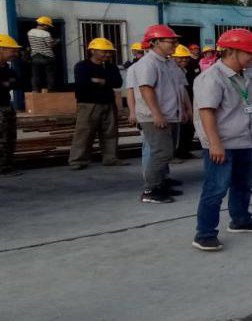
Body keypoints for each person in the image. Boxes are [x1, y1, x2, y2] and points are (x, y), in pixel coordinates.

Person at [193, 28, 252, 252]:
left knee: (244, 184)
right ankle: (205, 234)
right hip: (223, 144)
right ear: (231, 51)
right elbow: (206, 111)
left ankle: (241, 220)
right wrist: (214, 143)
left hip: (247, 141)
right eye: (249, 52)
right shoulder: (211, 77)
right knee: (216, 189)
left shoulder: (250, 75)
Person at [133, 24, 190, 203]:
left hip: (170, 114)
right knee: (160, 153)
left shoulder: (168, 62)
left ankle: (161, 183)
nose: (174, 44)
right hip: (155, 117)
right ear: (156, 42)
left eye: (175, 41)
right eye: (171, 41)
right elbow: (146, 89)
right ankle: (150, 190)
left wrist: (183, 109)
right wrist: (156, 114)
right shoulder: (148, 63)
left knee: (167, 152)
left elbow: (178, 87)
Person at [68, 37, 129, 170]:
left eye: (109, 52)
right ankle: (77, 160)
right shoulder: (82, 66)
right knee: (84, 133)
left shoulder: (111, 67)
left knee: (110, 132)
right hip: (88, 104)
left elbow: (118, 83)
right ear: (92, 51)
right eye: (104, 51)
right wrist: (105, 81)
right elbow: (83, 83)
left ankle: (110, 158)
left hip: (108, 103)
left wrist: (101, 81)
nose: (108, 54)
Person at [0, 33, 24, 176]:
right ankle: (2, 168)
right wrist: (7, 83)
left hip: (6, 106)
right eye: (12, 51)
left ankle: (7, 165)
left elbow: (18, 83)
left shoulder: (7, 68)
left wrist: (6, 83)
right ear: (1, 49)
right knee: (2, 139)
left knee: (9, 137)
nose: (15, 54)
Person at [172, 44, 199, 161]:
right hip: (176, 103)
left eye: (186, 57)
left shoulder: (192, 67)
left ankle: (185, 151)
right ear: (174, 58)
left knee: (190, 127)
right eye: (180, 58)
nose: (184, 60)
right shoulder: (171, 70)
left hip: (191, 100)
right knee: (179, 130)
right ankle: (175, 153)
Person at [27, 15, 57, 92]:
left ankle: (35, 90)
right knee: (50, 74)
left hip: (35, 56)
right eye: (48, 26)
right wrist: (56, 41)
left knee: (35, 74)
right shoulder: (46, 34)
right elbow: (50, 45)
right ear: (45, 25)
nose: (48, 27)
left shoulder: (30, 32)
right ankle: (50, 90)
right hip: (48, 57)